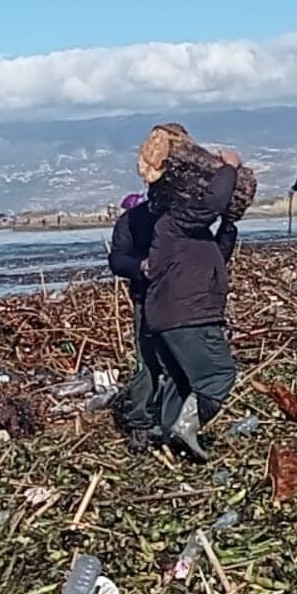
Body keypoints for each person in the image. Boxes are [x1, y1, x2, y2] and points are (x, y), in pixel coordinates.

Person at [108, 191, 236, 453]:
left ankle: (170, 425)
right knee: (148, 364)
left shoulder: (181, 220)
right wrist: (140, 266)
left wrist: (227, 226)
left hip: (174, 300)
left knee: (176, 368)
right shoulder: (131, 221)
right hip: (146, 299)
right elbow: (117, 260)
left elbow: (214, 253)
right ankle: (140, 425)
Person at [143, 151, 243, 461]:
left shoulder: (189, 234)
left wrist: (229, 222)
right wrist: (229, 169)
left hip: (175, 313)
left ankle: (165, 431)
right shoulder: (173, 222)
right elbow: (209, 205)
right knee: (218, 375)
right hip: (188, 315)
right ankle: (186, 426)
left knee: (182, 378)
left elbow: (219, 255)